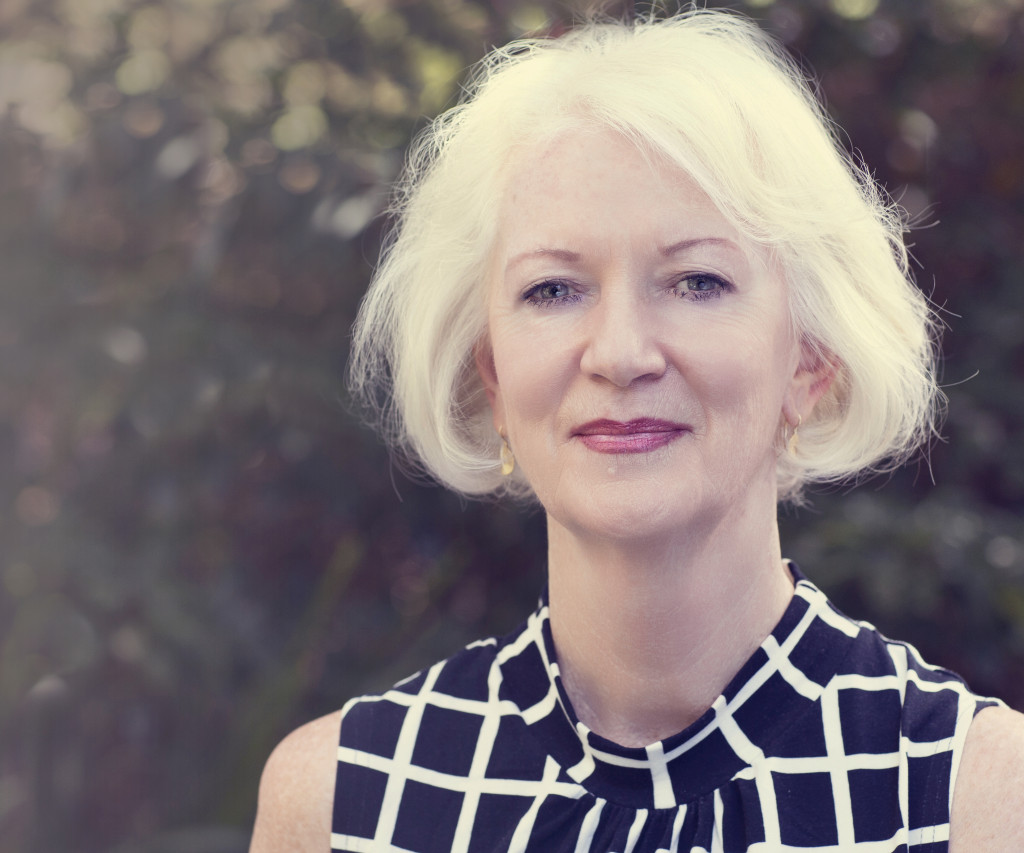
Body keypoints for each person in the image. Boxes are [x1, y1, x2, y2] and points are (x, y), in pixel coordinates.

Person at [250, 9, 1024, 852]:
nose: (619, 354)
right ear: (494, 376)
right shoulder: (340, 803)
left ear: (810, 360)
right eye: (553, 289)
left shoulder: (976, 797)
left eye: (696, 281)